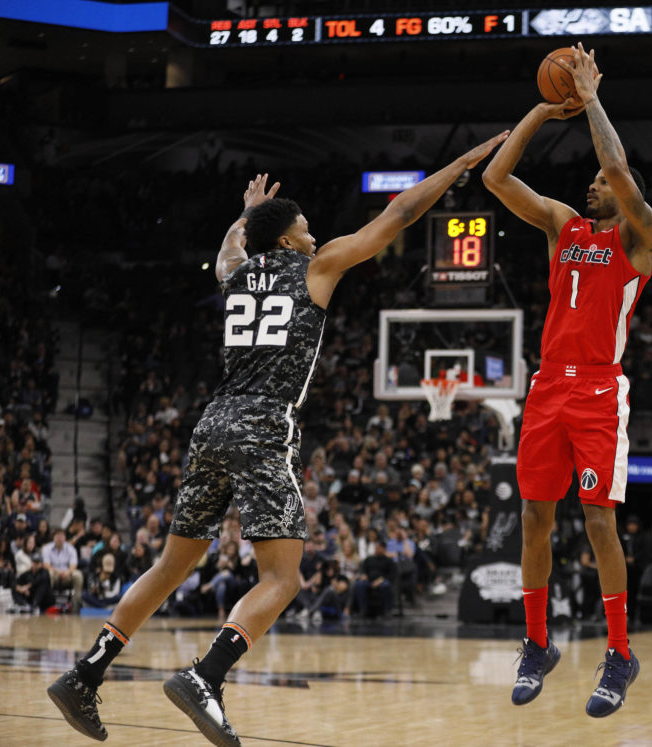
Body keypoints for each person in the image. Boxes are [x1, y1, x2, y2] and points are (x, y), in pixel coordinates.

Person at [48, 130, 509, 745]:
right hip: (264, 425)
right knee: (284, 578)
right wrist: (461, 164)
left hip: (213, 422)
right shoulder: (315, 269)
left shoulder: (235, 276)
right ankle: (206, 676)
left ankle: (86, 673)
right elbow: (398, 214)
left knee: (170, 565)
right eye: (307, 226)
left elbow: (225, 255)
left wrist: (242, 216)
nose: (315, 234)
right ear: (289, 239)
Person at [484, 43, 652, 717]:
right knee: (532, 516)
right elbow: (498, 179)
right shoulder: (565, 227)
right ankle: (537, 642)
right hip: (547, 386)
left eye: (600, 181)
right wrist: (540, 107)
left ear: (625, 194)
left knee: (597, 519)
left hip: (597, 391)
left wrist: (590, 101)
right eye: (587, 179)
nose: (592, 183)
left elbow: (615, 162)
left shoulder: (640, 238)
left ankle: (619, 653)